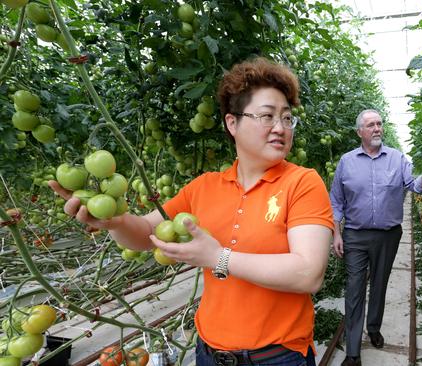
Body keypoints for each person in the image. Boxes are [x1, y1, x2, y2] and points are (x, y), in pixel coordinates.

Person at [49, 57, 334, 366]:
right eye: (267, 116)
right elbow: (146, 234)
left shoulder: (302, 182)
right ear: (232, 123)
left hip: (277, 357)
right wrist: (112, 220)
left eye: (287, 118)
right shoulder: (204, 187)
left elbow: (308, 273)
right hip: (209, 353)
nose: (280, 127)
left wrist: (217, 258)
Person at [329, 109, 422, 366]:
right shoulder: (347, 161)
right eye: (370, 125)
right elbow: (336, 203)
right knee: (354, 289)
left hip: (388, 235)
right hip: (355, 235)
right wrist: (336, 234)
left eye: (379, 124)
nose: (377, 128)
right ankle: (353, 352)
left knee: (379, 283)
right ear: (359, 132)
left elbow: (418, 187)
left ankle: (373, 327)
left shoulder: (398, 159)